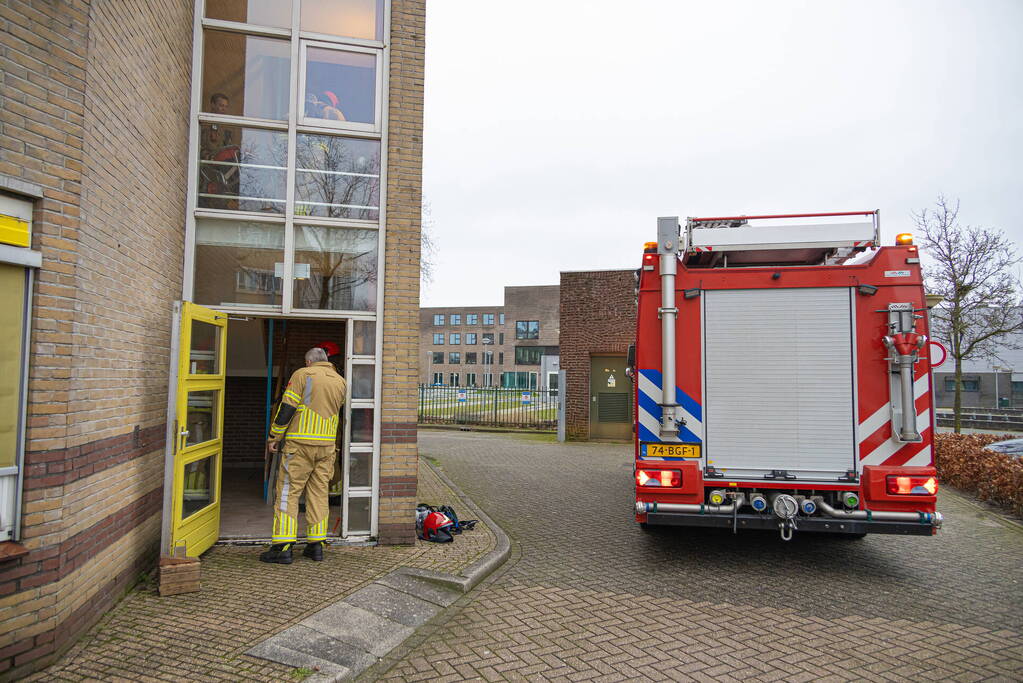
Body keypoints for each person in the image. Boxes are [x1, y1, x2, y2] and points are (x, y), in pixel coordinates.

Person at [261, 347, 348, 564]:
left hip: (299, 445)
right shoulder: (341, 381)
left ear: (309, 361)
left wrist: (274, 436)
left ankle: (282, 547)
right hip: (327, 447)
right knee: (319, 493)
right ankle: (316, 545)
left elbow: (287, 408)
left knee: (288, 492)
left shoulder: (302, 374)